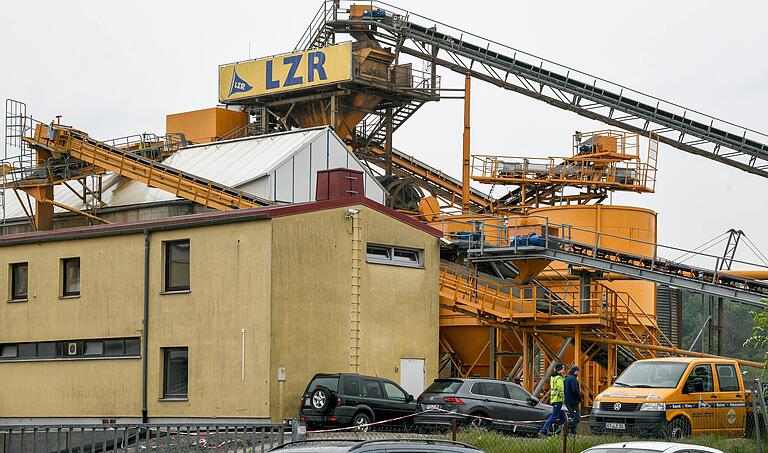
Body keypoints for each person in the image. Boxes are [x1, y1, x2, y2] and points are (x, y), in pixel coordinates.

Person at [538, 363, 567, 437]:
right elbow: (561, 388)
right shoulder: (559, 378)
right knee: (554, 416)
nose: (564, 370)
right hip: (558, 400)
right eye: (562, 369)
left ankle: (554, 428)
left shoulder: (553, 377)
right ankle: (543, 430)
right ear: (559, 370)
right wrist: (563, 397)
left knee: (563, 418)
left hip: (555, 400)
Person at [564, 365, 583, 435]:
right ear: (575, 371)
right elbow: (575, 390)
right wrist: (580, 398)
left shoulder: (566, 378)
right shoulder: (573, 379)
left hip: (567, 401)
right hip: (573, 401)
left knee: (573, 416)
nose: (579, 373)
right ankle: (567, 428)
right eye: (578, 371)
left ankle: (572, 433)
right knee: (577, 417)